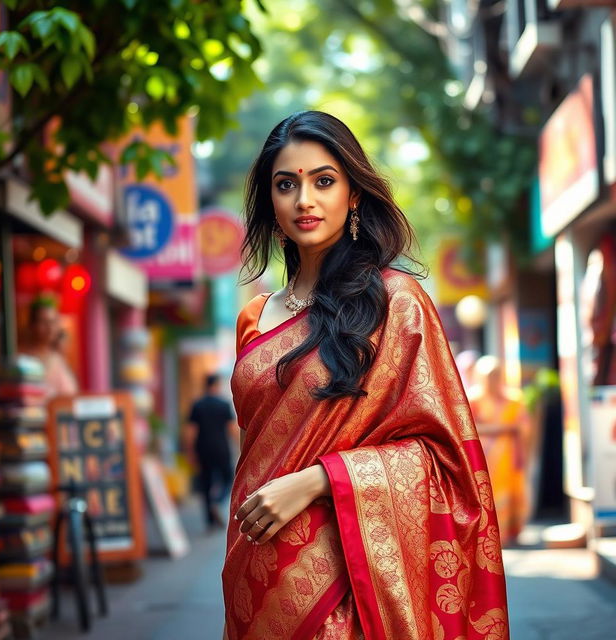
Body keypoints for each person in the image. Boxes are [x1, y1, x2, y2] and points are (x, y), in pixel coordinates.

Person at [222, 111, 509, 639]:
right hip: (255, 570)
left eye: (323, 181)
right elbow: (259, 447)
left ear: (353, 194)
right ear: (270, 201)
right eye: (286, 185)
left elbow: (446, 461)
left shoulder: (396, 303)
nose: (304, 199)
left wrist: (319, 480)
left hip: (349, 581)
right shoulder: (254, 319)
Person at [468, 355, 528, 546]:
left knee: (511, 491)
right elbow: (468, 427)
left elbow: (524, 426)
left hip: (508, 454)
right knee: (487, 493)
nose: (492, 380)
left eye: (496, 375)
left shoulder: (514, 401)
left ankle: (510, 532)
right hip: (483, 456)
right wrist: (503, 429)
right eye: (488, 376)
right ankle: (491, 534)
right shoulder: (473, 400)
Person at [186, 373, 236, 530]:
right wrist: (240, 446)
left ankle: (209, 521)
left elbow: (191, 431)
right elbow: (232, 429)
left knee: (206, 483)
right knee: (228, 477)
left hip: (203, 448)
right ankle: (218, 501)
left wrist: (190, 452)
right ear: (216, 385)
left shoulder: (197, 405)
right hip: (221, 448)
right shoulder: (223, 404)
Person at [20, 296, 78, 398]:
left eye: (53, 322)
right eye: (44, 322)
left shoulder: (58, 358)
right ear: (32, 325)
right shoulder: (23, 360)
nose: (50, 327)